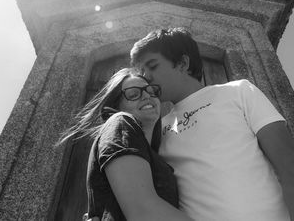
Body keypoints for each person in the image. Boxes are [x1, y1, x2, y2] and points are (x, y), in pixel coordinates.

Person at [130, 28, 294, 221]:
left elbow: (290, 164)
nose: (146, 77)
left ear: (182, 63)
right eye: (142, 72)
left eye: (152, 66)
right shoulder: (157, 128)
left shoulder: (239, 92)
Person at [59, 68, 193, 221]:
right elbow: (144, 212)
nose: (146, 96)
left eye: (151, 91)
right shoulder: (122, 122)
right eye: (133, 94)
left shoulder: (152, 154)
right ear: (117, 105)